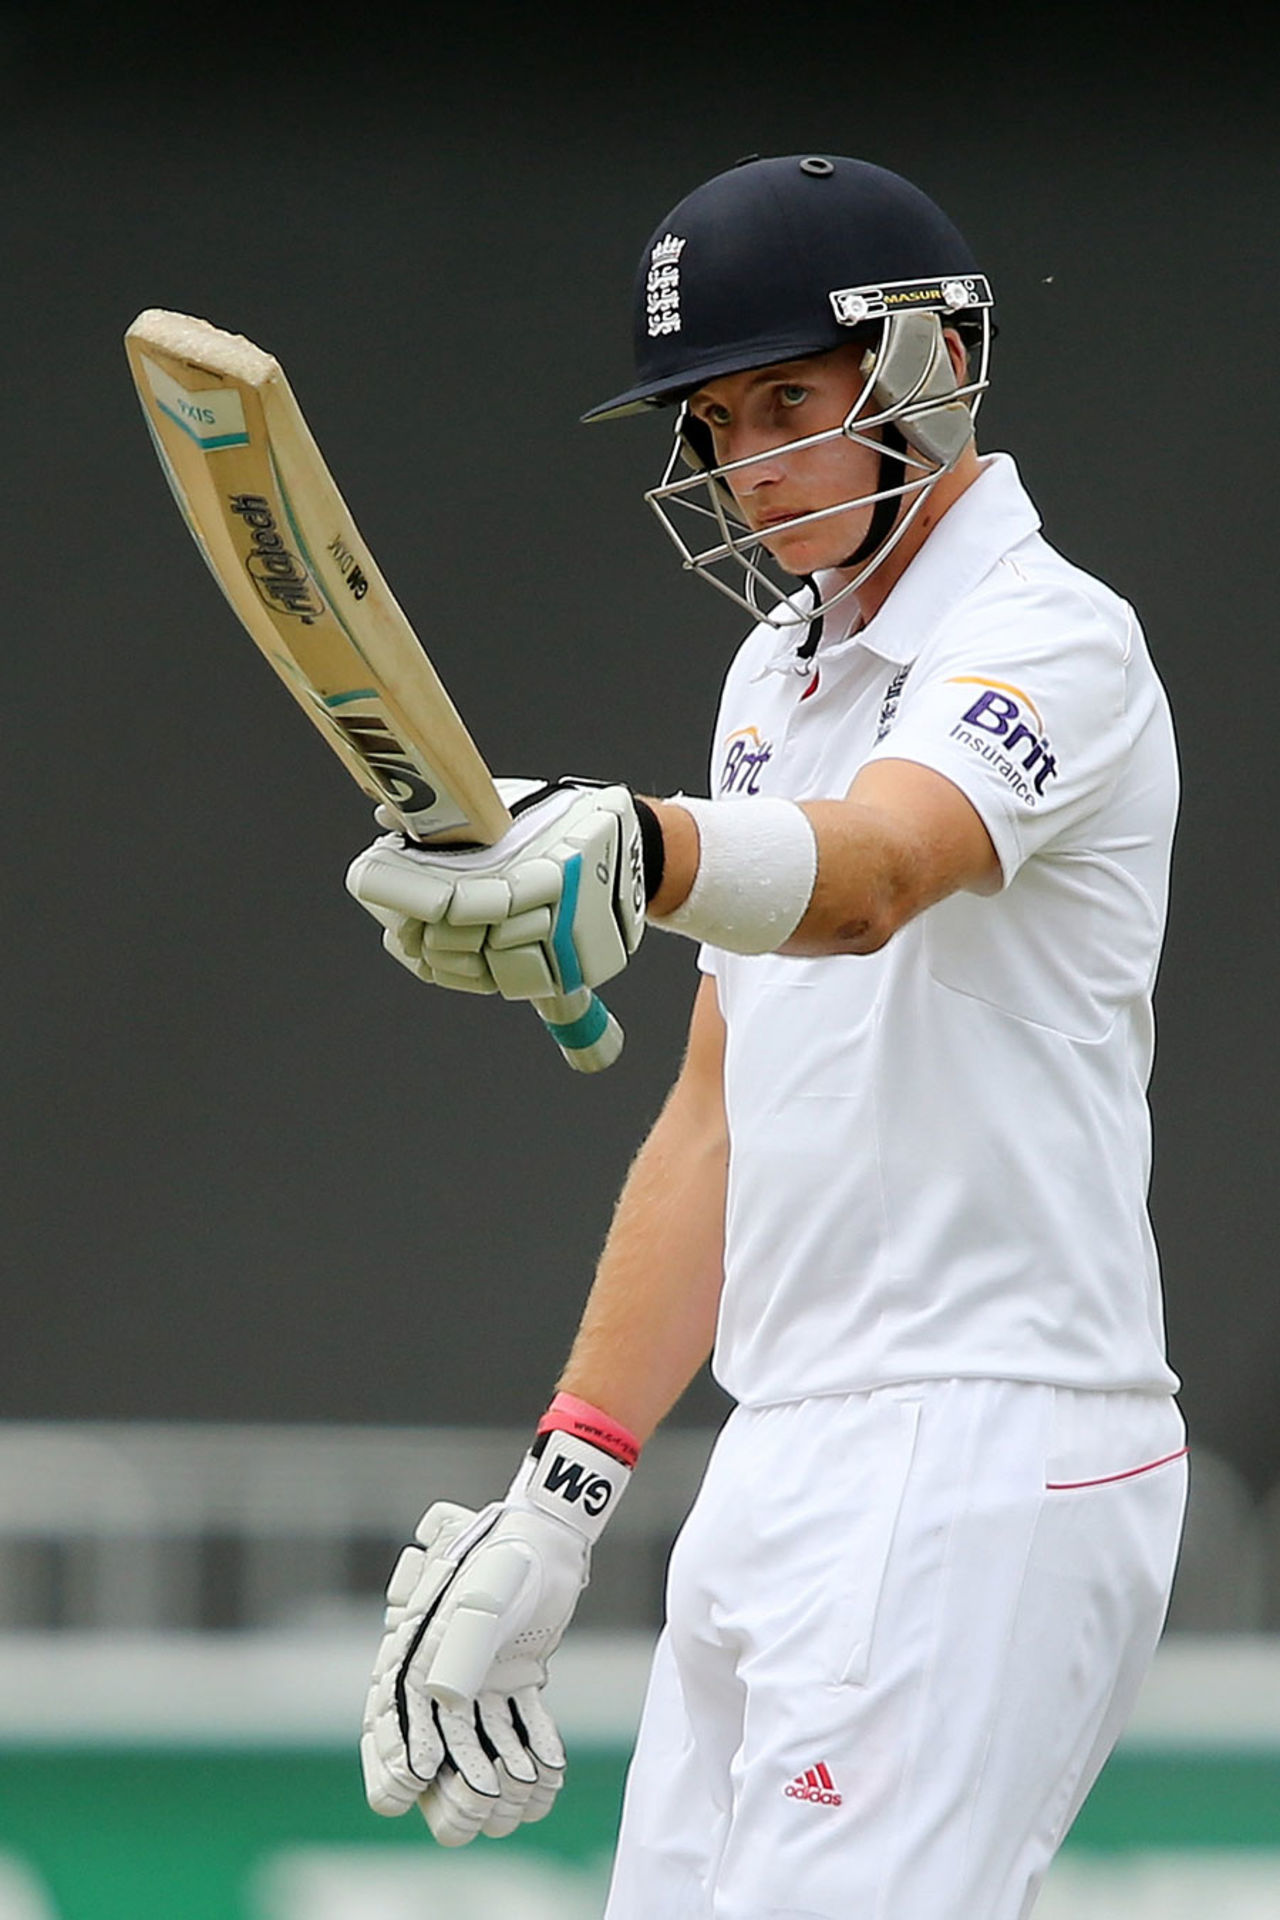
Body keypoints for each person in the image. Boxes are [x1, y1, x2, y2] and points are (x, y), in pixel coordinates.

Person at [351, 154, 1188, 1918]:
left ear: (929, 364)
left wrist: (635, 848)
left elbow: (876, 875)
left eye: (789, 402)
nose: (750, 461)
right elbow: (718, 1115)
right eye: (718, 423)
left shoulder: (1053, 636)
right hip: (784, 1441)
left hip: (988, 1433)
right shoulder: (773, 678)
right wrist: (560, 1499)